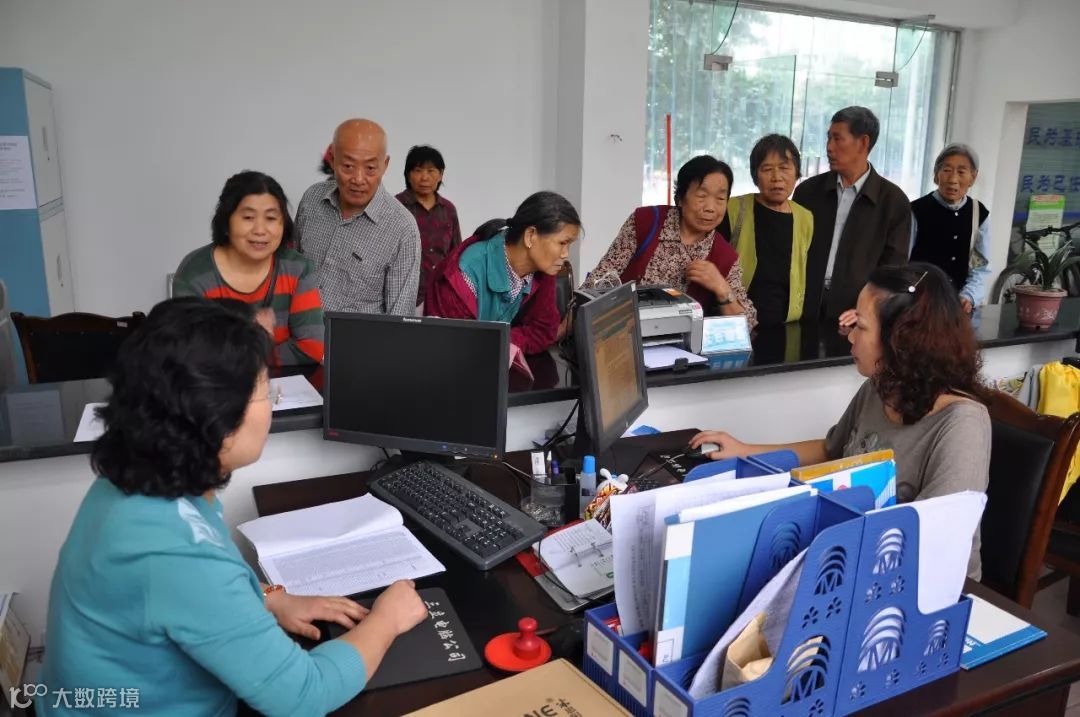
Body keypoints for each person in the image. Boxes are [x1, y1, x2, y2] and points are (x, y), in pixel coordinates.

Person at [37, 297, 427, 716]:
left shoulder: (131, 481)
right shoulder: (175, 553)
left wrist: (269, 598)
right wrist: (387, 619)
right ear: (217, 419)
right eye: (264, 391)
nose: (272, 403)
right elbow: (303, 695)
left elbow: (183, 592)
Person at [690, 263, 990, 577]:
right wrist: (745, 451)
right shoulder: (880, 388)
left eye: (861, 326)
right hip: (855, 562)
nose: (851, 338)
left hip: (918, 580)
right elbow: (831, 450)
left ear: (902, 338)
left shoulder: (962, 424)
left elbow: (934, 540)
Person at [173, 171, 324, 365]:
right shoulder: (194, 274)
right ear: (226, 222)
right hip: (216, 383)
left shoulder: (298, 269)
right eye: (248, 217)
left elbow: (311, 346)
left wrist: (239, 356)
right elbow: (192, 354)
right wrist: (261, 348)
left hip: (284, 382)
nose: (260, 230)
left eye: (271, 218)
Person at [588, 155, 757, 327]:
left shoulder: (725, 257)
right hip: (624, 331)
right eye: (701, 196)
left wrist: (722, 287)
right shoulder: (646, 222)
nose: (710, 208)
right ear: (680, 198)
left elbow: (747, 324)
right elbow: (599, 280)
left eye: (720, 199)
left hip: (682, 342)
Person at [792, 106, 912, 325]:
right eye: (828, 138)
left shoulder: (893, 201)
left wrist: (867, 309)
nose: (829, 147)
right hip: (801, 308)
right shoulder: (807, 192)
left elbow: (893, 271)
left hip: (854, 315)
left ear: (863, 142)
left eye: (838, 139)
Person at [425, 191, 579, 355]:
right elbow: (458, 347)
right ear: (530, 236)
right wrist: (502, 343)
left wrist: (503, 342)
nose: (565, 254)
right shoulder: (463, 275)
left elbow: (543, 330)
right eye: (562, 243)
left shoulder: (542, 268)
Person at [295, 119, 421, 315]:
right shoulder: (312, 200)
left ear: (385, 165)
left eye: (370, 168)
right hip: (299, 330)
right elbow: (291, 270)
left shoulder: (402, 229)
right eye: (348, 166)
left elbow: (399, 317)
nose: (358, 179)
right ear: (333, 160)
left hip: (355, 335)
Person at [727, 134, 814, 325]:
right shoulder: (734, 209)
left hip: (788, 322)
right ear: (755, 175)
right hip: (737, 319)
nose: (776, 177)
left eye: (784, 168)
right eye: (767, 169)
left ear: (796, 173)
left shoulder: (805, 218)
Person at [909, 143, 991, 314]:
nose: (953, 179)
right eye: (946, 170)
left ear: (973, 177)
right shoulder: (916, 210)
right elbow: (902, 261)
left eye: (961, 172)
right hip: (919, 305)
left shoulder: (978, 213)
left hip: (958, 308)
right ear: (936, 174)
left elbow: (980, 266)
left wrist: (969, 296)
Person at [396, 145, 463, 307]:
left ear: (440, 174)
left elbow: (456, 255)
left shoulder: (448, 209)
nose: (424, 177)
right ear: (408, 174)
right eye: (418, 170)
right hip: (403, 294)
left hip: (440, 295)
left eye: (431, 171)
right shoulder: (396, 206)